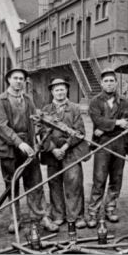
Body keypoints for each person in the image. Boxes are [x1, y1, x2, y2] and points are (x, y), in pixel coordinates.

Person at [0, 68, 58, 233]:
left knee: (35, 182)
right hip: (9, 148)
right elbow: (2, 126)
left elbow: (35, 120)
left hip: (29, 147)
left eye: (21, 79)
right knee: (12, 185)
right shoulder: (1, 100)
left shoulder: (28, 99)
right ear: (8, 80)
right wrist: (19, 142)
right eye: (15, 78)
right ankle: (15, 219)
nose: (18, 81)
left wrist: (40, 125)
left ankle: (41, 216)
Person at [39, 78, 89, 229]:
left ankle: (76, 216)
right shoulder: (46, 110)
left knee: (74, 183)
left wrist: (65, 147)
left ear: (66, 90)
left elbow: (80, 131)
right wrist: (53, 149)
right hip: (52, 153)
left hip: (71, 151)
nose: (60, 92)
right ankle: (58, 215)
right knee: (54, 184)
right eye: (56, 90)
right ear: (52, 92)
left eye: (62, 89)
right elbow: (41, 132)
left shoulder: (74, 108)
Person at [87, 68, 128, 226]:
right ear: (101, 83)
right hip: (102, 144)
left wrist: (107, 126)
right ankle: (93, 213)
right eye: (106, 81)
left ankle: (110, 209)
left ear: (116, 83)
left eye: (112, 81)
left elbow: (126, 121)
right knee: (99, 179)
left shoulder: (124, 101)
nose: (109, 84)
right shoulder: (95, 101)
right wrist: (116, 123)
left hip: (120, 142)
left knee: (116, 178)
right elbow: (97, 120)